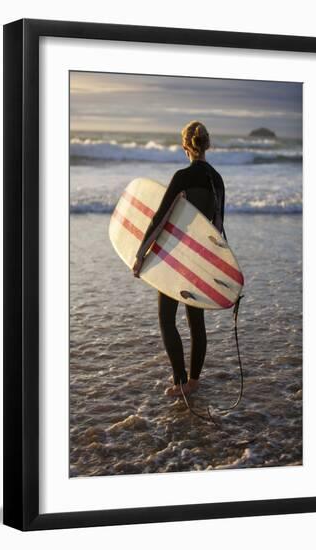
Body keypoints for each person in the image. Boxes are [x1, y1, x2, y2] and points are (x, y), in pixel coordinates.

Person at [132, 121, 226, 397]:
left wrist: (140, 254)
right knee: (196, 322)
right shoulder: (217, 180)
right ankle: (194, 382)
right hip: (201, 259)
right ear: (206, 145)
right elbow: (217, 228)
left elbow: (159, 218)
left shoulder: (182, 176)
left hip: (175, 258)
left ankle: (179, 381)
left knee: (166, 319)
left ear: (185, 146)